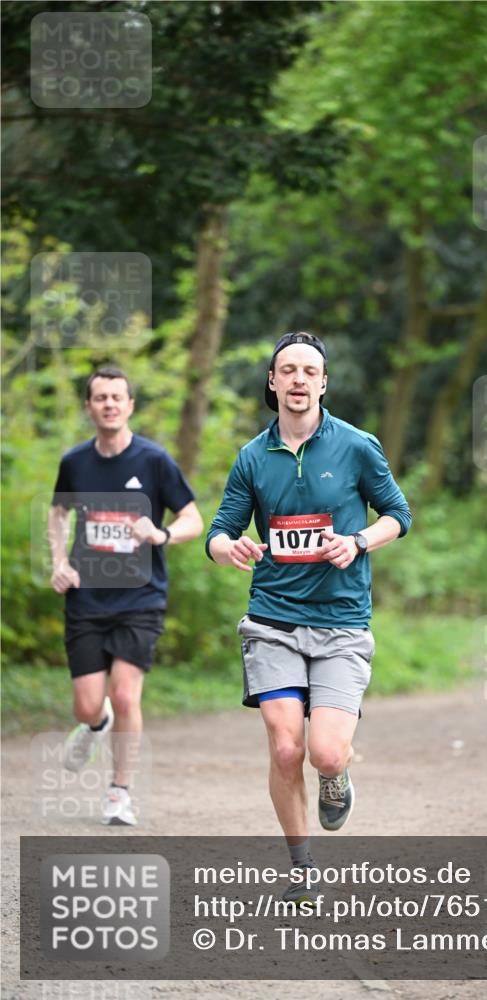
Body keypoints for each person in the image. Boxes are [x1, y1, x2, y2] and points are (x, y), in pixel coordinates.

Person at [206, 332, 411, 900]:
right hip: (271, 619)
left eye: (309, 371)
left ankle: (337, 772)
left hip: (342, 621)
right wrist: (230, 547)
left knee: (323, 752)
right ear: (272, 382)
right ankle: (301, 867)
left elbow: (398, 513)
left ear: (323, 383)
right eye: (287, 370)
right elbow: (220, 530)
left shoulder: (357, 446)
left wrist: (360, 541)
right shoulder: (253, 456)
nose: (298, 380)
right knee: (285, 746)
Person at [49, 366, 203, 825]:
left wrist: (162, 534)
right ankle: (96, 724)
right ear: (89, 407)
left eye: (118, 397)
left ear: (130, 405)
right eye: (101, 398)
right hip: (86, 598)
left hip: (141, 597)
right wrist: (59, 561)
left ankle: (120, 792)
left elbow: (193, 518)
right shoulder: (75, 462)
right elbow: (58, 514)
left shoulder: (154, 461)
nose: (110, 404)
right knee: (87, 703)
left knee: (125, 692)